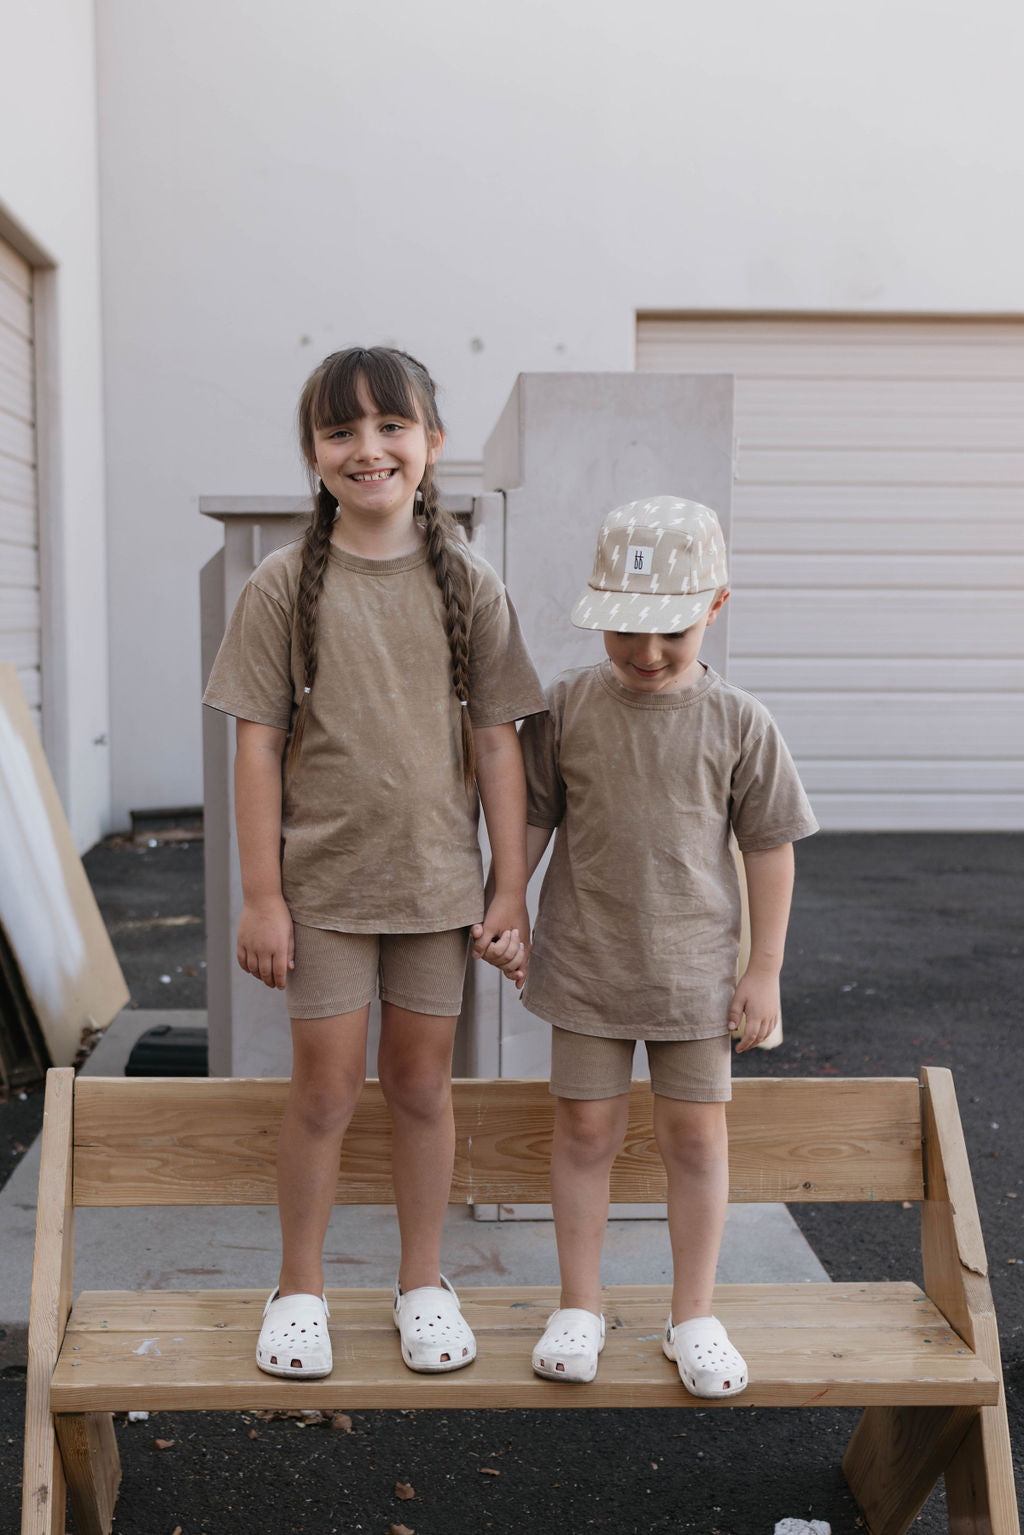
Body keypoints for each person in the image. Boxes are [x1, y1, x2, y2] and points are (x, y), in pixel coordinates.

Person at [203, 345, 546, 1379]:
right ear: (313, 455)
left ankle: (423, 1281)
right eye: (340, 430)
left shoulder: (469, 586)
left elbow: (498, 741)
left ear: (431, 445)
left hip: (437, 892)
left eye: (390, 426)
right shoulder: (278, 586)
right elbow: (255, 743)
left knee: (421, 1086)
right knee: (321, 1092)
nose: (368, 448)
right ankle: (298, 1286)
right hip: (324, 893)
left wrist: (506, 887)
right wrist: (262, 894)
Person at [474, 496, 818, 1396]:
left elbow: (769, 845)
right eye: (625, 628)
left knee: (696, 1141)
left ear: (715, 606)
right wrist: (508, 900)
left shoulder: (740, 721)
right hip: (587, 962)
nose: (648, 651)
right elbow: (535, 815)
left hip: (696, 976)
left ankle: (693, 1313)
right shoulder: (567, 705)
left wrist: (765, 969)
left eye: (669, 628)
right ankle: (579, 1303)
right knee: (585, 1129)